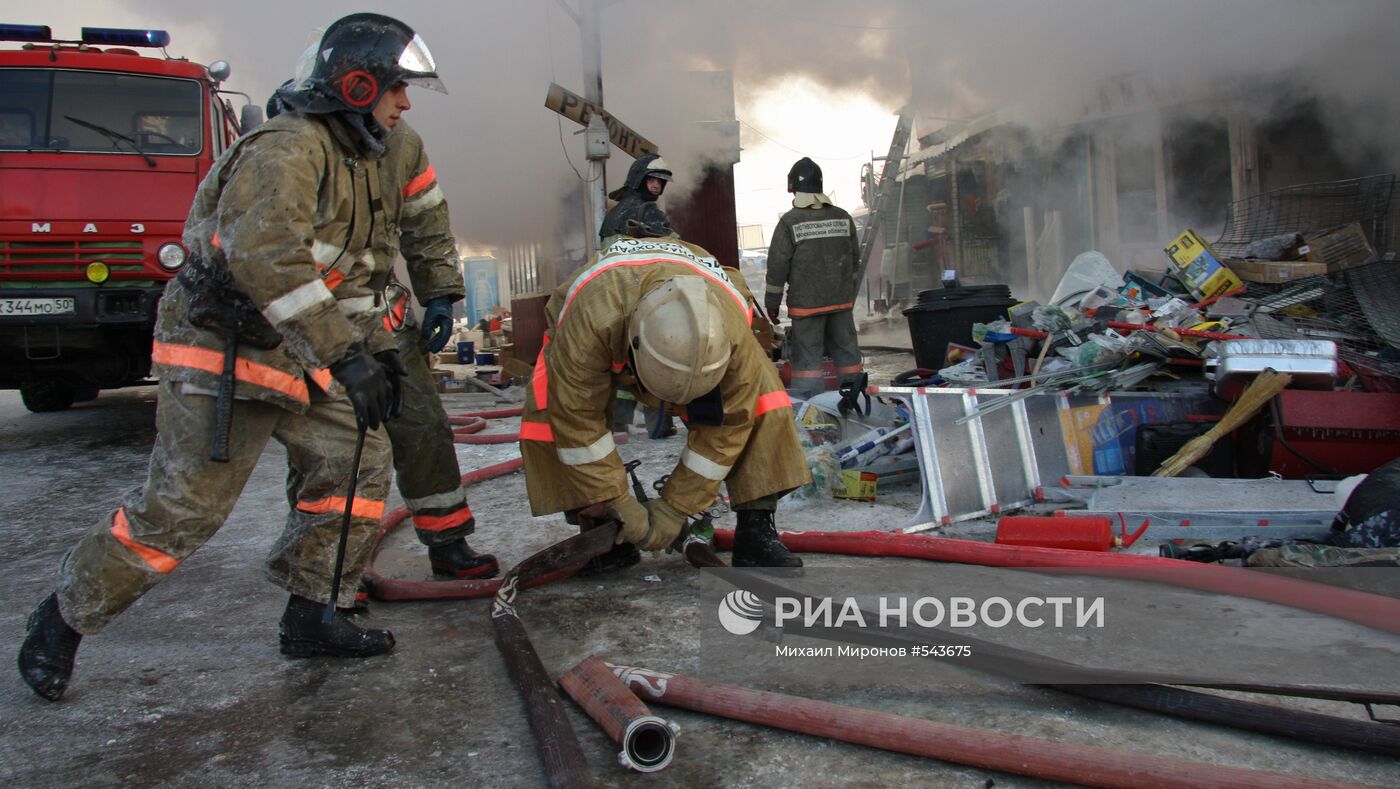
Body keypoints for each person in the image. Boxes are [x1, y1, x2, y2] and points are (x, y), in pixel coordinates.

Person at [18, 12, 442, 702]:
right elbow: (266, 256)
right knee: (183, 511)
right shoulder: (288, 148)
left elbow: (353, 272)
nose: (405, 103)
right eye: (397, 87)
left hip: (298, 351)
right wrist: (344, 355)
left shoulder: (361, 161)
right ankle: (65, 616)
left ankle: (313, 611)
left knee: (355, 462)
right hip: (226, 355)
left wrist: (376, 352)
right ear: (357, 84)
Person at [266, 87, 498, 583]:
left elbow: (426, 220)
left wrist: (438, 293)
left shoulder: (401, 144)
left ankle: (448, 541)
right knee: (330, 450)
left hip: (380, 318)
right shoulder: (291, 144)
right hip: (309, 323)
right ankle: (324, 572)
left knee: (422, 427)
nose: (404, 103)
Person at [519, 218, 810, 572]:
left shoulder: (732, 336)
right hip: (602, 318)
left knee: (766, 404)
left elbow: (727, 429)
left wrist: (676, 507)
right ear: (633, 347)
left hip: (706, 329)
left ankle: (757, 529)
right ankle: (604, 531)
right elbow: (577, 420)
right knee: (552, 413)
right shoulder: (592, 322)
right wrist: (616, 500)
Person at [765, 157, 865, 398]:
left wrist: (772, 305)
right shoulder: (843, 217)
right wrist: (847, 293)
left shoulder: (790, 222)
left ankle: (811, 406)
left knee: (807, 359)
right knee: (847, 353)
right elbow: (854, 260)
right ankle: (856, 399)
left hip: (807, 307)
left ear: (793, 188)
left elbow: (777, 266)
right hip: (840, 303)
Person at [598, 153, 672, 250]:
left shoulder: (614, 211)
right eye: (651, 180)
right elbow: (670, 244)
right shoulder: (647, 210)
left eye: (659, 181)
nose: (656, 185)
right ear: (639, 180)